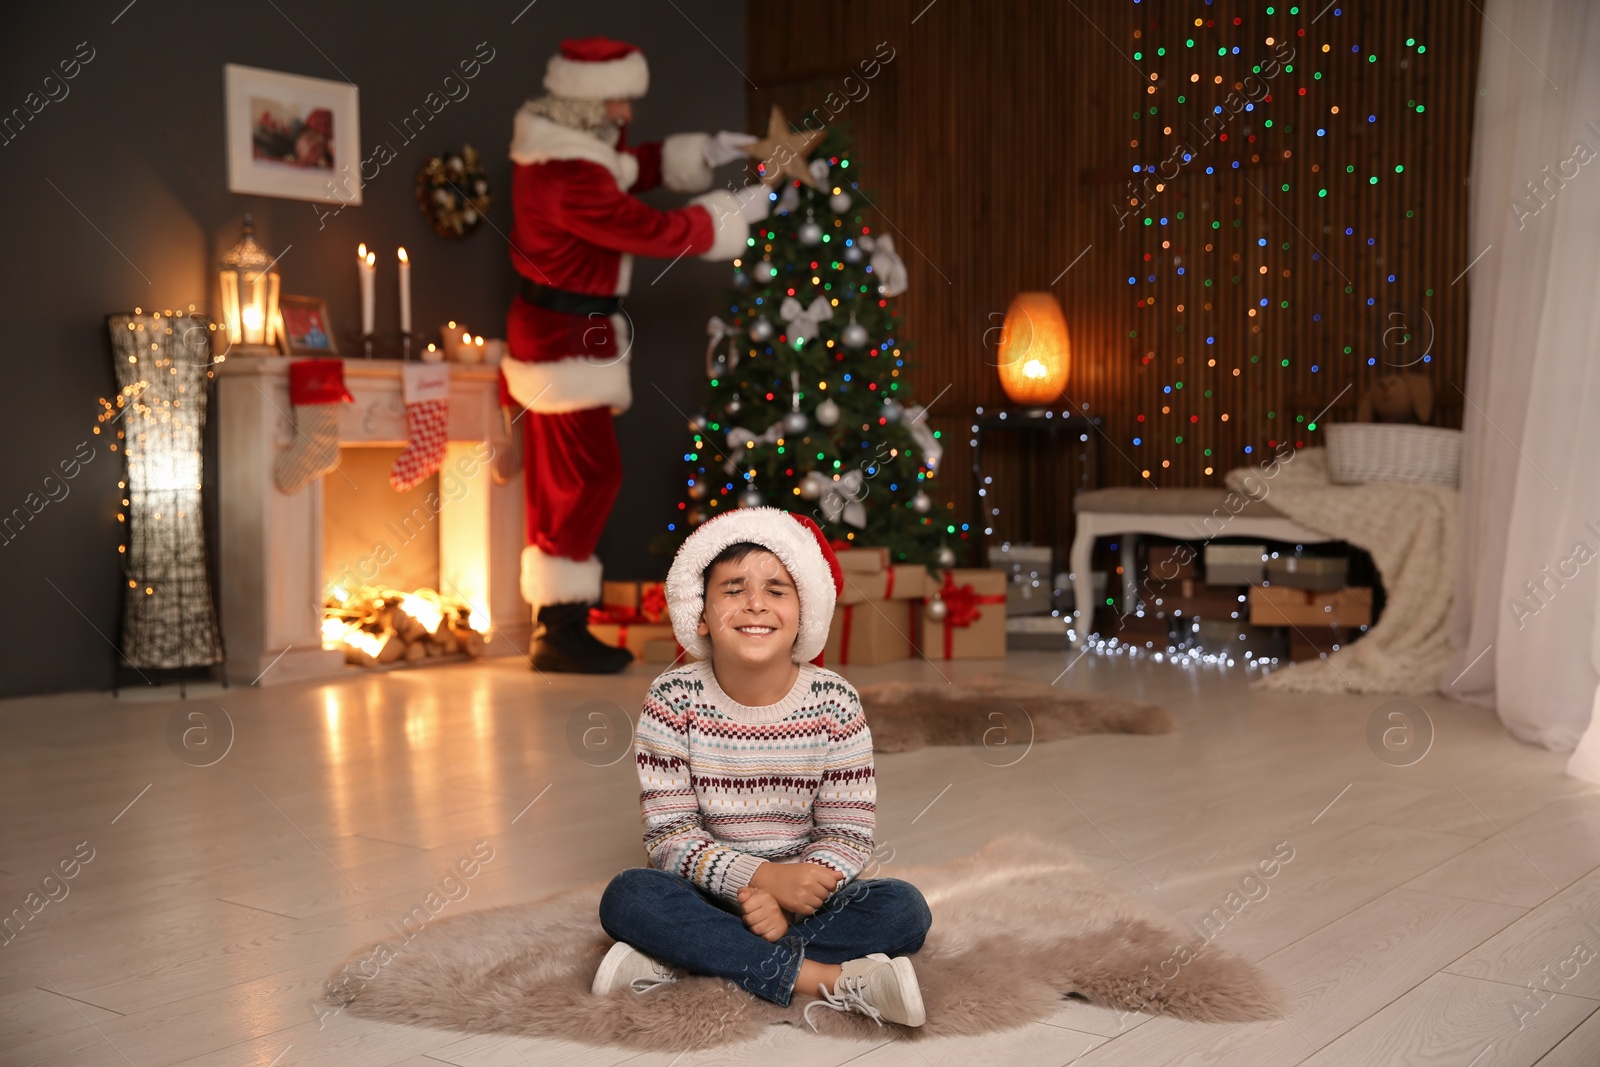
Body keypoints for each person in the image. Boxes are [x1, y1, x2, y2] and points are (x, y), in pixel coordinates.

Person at [592, 507, 933, 1029]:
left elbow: (848, 831)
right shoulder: (671, 697)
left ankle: (689, 960)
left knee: (904, 910)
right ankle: (825, 980)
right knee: (629, 896)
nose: (755, 603)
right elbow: (670, 835)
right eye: (732, 589)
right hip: (705, 894)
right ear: (701, 613)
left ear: (805, 612)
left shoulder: (835, 701)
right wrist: (761, 880)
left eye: (777, 590)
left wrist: (794, 896)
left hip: (805, 897)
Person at [499, 36, 772, 673]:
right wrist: (732, 213)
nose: (625, 112)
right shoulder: (569, 175)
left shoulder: (565, 149)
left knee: (559, 481)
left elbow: (625, 168)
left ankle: (555, 624)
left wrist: (699, 153)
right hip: (564, 342)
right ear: (588, 100)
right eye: (617, 98)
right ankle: (559, 631)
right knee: (587, 476)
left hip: (565, 332)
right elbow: (651, 231)